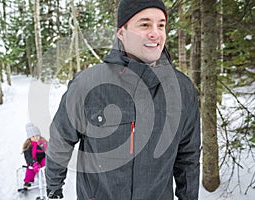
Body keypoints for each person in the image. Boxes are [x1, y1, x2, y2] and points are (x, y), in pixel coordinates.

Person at [46, 0, 201, 199]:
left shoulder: (182, 89)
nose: (155, 33)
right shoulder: (87, 84)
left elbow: (187, 156)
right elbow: (61, 140)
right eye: (144, 24)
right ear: (122, 32)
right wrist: (53, 189)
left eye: (161, 25)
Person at [22, 123, 47, 188]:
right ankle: (27, 182)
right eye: (33, 136)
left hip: (42, 159)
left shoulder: (43, 143)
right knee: (30, 169)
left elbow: (48, 151)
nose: (36, 138)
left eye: (37, 135)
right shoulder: (28, 146)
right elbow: (28, 156)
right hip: (33, 161)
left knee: (47, 162)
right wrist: (33, 163)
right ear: (29, 138)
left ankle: (50, 177)